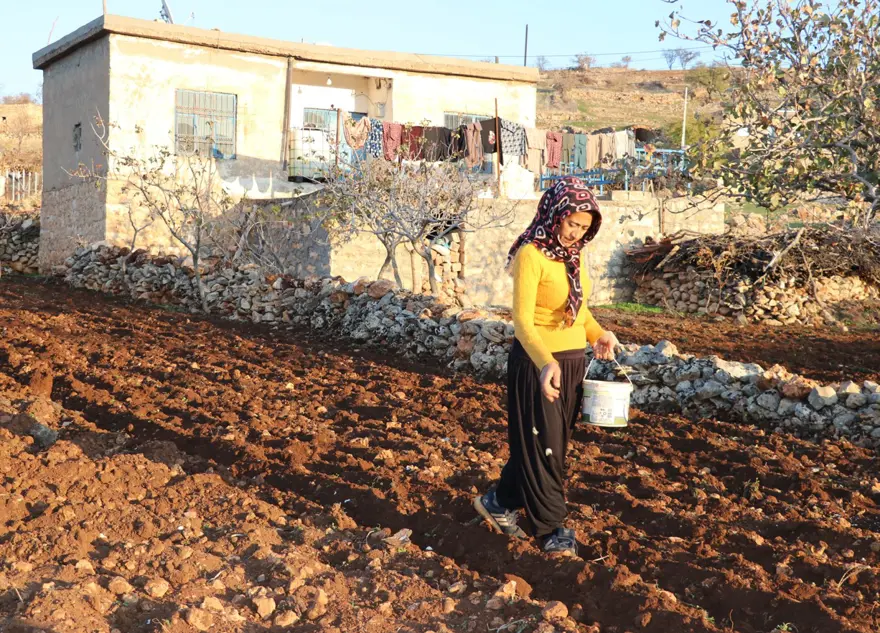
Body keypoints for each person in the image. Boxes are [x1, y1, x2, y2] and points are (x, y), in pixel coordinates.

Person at [474, 176, 619, 557]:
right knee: (547, 449)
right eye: (572, 224)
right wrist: (544, 364)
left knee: (545, 444)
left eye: (585, 228)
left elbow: (579, 311)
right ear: (555, 214)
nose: (576, 233)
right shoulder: (531, 254)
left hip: (572, 364)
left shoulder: (574, 257)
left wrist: (598, 335)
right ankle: (551, 530)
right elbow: (522, 321)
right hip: (538, 365)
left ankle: (499, 503)